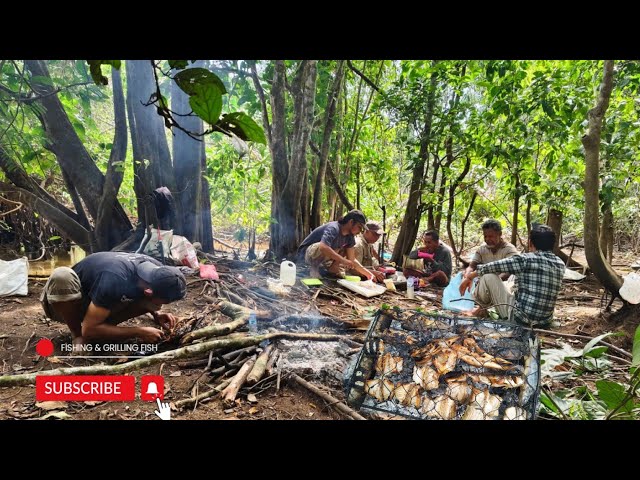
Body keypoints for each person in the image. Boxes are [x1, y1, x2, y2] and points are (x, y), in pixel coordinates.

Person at [40, 251, 186, 348]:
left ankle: (102, 327)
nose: (160, 305)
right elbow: (88, 330)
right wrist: (139, 331)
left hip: (98, 298)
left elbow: (148, 295)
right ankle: (77, 335)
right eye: (161, 301)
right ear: (148, 291)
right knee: (62, 276)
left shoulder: (157, 270)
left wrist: (156, 314)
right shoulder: (114, 277)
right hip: (64, 301)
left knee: (152, 305)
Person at [459, 225, 565, 327]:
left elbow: (492, 267)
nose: (487, 239)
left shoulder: (526, 259)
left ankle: (480, 310)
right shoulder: (560, 263)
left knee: (488, 276)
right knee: (513, 278)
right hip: (544, 321)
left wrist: (469, 277)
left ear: (530, 243)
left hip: (521, 319)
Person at [297, 209, 378, 282]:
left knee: (343, 248)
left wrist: (368, 274)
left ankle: (333, 268)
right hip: (305, 254)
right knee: (325, 246)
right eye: (359, 227)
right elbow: (323, 247)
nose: (360, 231)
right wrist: (343, 260)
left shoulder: (350, 237)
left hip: (321, 256)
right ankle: (314, 268)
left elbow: (352, 259)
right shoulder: (334, 228)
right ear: (351, 222)